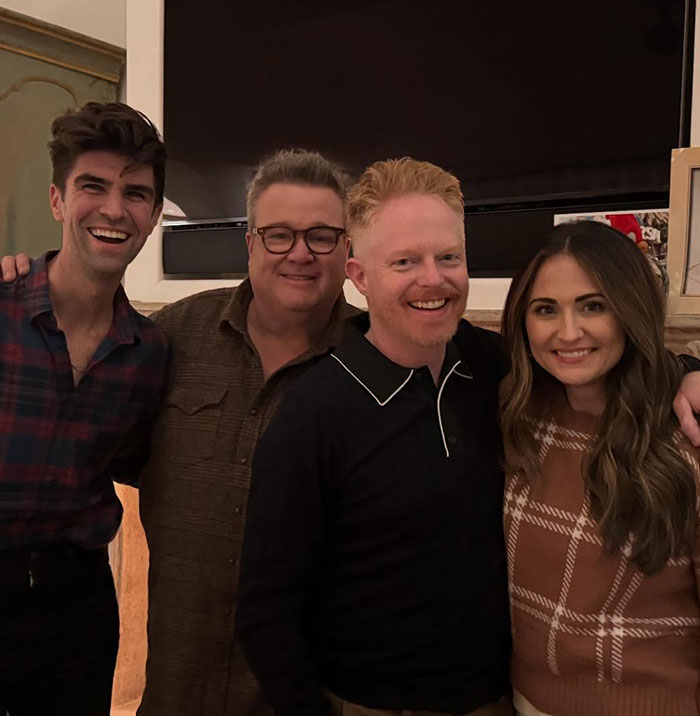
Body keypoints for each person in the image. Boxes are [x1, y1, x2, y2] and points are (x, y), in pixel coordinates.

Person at [237, 158, 513, 716]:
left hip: (496, 700)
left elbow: (597, 366)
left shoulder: (490, 367)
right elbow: (266, 612)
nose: (432, 279)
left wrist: (685, 373)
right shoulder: (313, 416)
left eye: (448, 258)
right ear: (359, 277)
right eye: (405, 261)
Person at [136, 149, 356, 716]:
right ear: (251, 243)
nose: (300, 254)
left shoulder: (377, 362)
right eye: (279, 235)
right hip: (173, 694)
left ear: (348, 247)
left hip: (308, 702)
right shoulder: (173, 338)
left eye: (322, 236)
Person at [0, 102, 168, 716]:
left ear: (152, 217)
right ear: (55, 200)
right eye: (92, 186)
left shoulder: (148, 353)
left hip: (79, 607)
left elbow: (139, 464)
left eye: (136, 193)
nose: (114, 209)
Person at [500, 220, 700, 716]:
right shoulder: (520, 420)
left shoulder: (686, 439)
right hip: (525, 700)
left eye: (593, 306)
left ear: (629, 309)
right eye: (546, 310)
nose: (569, 333)